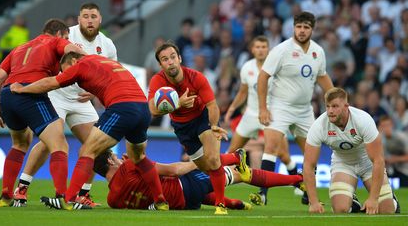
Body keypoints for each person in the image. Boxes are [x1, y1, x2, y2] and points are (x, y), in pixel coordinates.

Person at [10, 52, 168, 210]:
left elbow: (51, 83)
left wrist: (23, 89)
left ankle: (68, 199)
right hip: (143, 108)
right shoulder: (103, 60)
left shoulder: (80, 65)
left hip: (122, 107)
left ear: (73, 60)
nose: (68, 76)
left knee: (87, 150)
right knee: (138, 157)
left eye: (65, 70)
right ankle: (160, 201)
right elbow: (108, 79)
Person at [13, 2, 117, 208]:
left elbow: (112, 73)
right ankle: (22, 188)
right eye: (85, 16)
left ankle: (83, 194)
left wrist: (96, 89)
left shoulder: (107, 44)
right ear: (78, 20)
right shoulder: (66, 35)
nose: (89, 20)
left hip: (81, 100)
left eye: (93, 16)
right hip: (56, 94)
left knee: (97, 146)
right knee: (49, 142)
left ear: (100, 19)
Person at [0, 19, 87, 209]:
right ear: (58, 34)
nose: (66, 40)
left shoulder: (19, 49)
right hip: (30, 94)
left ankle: (6, 196)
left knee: (20, 143)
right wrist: (89, 59)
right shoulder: (55, 41)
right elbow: (70, 50)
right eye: (66, 37)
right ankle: (63, 197)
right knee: (59, 145)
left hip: (7, 96)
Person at [256, 11, 334, 205]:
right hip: (280, 105)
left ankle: (308, 192)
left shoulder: (318, 52)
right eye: (298, 27)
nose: (301, 30)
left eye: (306, 27)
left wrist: (335, 98)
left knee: (311, 151)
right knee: (271, 146)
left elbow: (322, 77)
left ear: (312, 30)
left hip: (304, 109)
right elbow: (263, 77)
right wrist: (263, 109)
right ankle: (262, 192)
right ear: (293, 28)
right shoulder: (281, 50)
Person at [148, 41, 231, 215]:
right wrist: (177, 104)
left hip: (202, 119)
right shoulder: (157, 81)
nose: (170, 62)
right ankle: (235, 158)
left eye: (172, 57)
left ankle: (221, 204)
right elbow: (152, 110)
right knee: (203, 166)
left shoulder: (196, 77)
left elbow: (213, 105)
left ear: (179, 58)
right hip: (181, 127)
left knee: (213, 160)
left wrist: (214, 125)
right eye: (165, 59)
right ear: (160, 64)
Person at [92, 149, 304, 210]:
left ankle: (231, 202)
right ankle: (296, 179)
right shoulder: (130, 165)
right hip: (186, 186)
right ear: (111, 161)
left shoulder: (112, 200)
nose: (120, 158)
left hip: (184, 205)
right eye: (115, 157)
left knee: (210, 190)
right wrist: (198, 162)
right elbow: (174, 171)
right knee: (239, 174)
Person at [303, 87, 400, 215]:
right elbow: (308, 165)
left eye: (335, 106)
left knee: (386, 211)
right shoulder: (319, 126)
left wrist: (373, 199)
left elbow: (378, 160)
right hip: (343, 163)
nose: (330, 111)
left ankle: (392, 202)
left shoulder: (363, 120)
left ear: (346, 106)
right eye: (328, 106)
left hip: (368, 163)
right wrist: (313, 201)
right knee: (340, 209)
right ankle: (352, 201)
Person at [224, 36, 299, 190]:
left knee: (283, 156)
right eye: (257, 47)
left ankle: (300, 184)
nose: (260, 50)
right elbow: (242, 92)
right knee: (231, 152)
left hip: (272, 116)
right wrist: (231, 109)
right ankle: (214, 181)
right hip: (251, 115)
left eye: (263, 47)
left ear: (268, 49)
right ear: (252, 49)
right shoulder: (246, 67)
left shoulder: (278, 68)